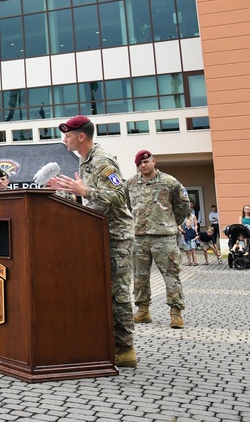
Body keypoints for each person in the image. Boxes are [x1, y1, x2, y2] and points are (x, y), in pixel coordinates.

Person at [49, 115, 137, 368]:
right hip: (97, 233)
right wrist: (71, 191)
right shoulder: (85, 162)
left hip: (116, 235)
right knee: (103, 290)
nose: (64, 139)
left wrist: (85, 191)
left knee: (118, 292)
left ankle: (125, 349)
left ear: (81, 136)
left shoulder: (102, 161)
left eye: (67, 135)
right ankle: (107, 342)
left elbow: (120, 197)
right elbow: (92, 202)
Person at [124, 149, 188, 329]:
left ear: (154, 162)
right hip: (139, 237)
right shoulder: (130, 183)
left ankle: (176, 313)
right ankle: (143, 311)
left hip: (164, 238)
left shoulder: (169, 182)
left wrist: (171, 222)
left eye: (146, 162)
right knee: (139, 276)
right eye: (140, 164)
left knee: (171, 275)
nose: (143, 166)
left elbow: (182, 205)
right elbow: (128, 204)